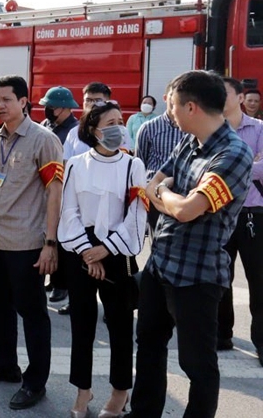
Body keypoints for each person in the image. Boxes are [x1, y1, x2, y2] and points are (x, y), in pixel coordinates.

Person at [128, 70, 253, 418]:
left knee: (197, 364)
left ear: (192, 107)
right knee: (149, 346)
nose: (169, 113)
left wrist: (165, 194)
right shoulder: (189, 140)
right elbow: (151, 182)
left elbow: (185, 209)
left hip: (197, 275)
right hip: (160, 264)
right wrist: (166, 194)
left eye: (173, 106)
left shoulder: (233, 154)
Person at [0, 75, 63, 411]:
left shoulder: (42, 140)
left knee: (32, 314)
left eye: (6, 99)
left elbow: (54, 192)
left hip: (26, 244)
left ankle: (35, 382)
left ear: (23, 101)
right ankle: (5, 365)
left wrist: (50, 242)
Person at [58, 101, 148, 417]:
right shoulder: (76, 164)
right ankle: (83, 391)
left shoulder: (132, 165)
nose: (118, 127)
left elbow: (138, 214)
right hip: (80, 250)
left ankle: (120, 393)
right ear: (94, 130)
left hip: (117, 252)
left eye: (121, 121)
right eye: (111, 122)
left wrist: (106, 249)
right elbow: (68, 211)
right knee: (81, 325)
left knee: (120, 326)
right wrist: (86, 250)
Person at [217, 77, 263, 363]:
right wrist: (251, 163)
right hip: (219, 214)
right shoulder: (212, 131)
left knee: (259, 280)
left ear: (239, 97)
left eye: (224, 93)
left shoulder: (258, 128)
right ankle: (222, 334)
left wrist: (231, 168)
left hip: (252, 214)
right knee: (221, 278)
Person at [39, 86, 80, 310]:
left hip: (65, 192)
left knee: (62, 242)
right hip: (44, 192)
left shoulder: (75, 130)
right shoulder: (47, 126)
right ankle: (53, 277)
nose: (47, 110)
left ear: (64, 108)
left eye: (51, 107)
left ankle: (62, 284)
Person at [134, 84, 186, 231]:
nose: (176, 100)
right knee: (158, 242)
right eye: (172, 95)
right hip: (156, 195)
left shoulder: (192, 128)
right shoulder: (149, 128)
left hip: (184, 196)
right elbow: (140, 162)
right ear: (165, 98)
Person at [63, 83, 130, 160]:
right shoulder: (74, 132)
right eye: (88, 100)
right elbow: (66, 160)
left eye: (98, 100)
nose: (92, 104)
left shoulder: (120, 131)